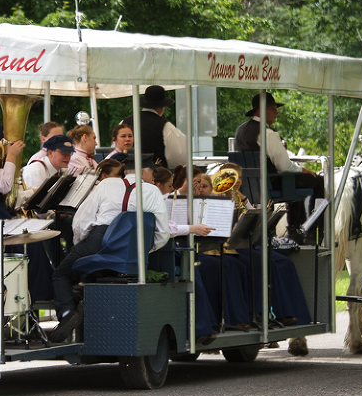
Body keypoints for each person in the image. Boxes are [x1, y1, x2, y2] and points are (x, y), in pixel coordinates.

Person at [50, 157, 170, 343]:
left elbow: (81, 221)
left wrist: (82, 244)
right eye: (152, 174)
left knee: (62, 274)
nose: (152, 179)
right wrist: (144, 249)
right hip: (134, 246)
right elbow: (162, 233)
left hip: (99, 239)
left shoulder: (106, 185)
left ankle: (67, 313)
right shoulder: (153, 191)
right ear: (144, 171)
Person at [234, 92, 324, 242]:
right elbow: (285, 167)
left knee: (296, 182)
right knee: (319, 181)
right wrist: (305, 169)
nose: (277, 112)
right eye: (272, 108)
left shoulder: (240, 131)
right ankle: (313, 231)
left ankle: (295, 229)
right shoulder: (268, 133)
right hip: (271, 183)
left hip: (250, 185)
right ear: (261, 110)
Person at [151, 166, 219, 341]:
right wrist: (192, 228)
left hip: (171, 246)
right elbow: (167, 228)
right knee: (195, 266)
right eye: (168, 185)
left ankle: (209, 323)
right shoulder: (161, 198)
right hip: (163, 249)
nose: (171, 189)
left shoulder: (165, 196)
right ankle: (202, 328)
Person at [122, 85, 187, 168]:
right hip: (156, 176)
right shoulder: (165, 126)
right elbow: (180, 157)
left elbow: (116, 148)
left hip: (129, 173)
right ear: (162, 108)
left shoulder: (125, 122)